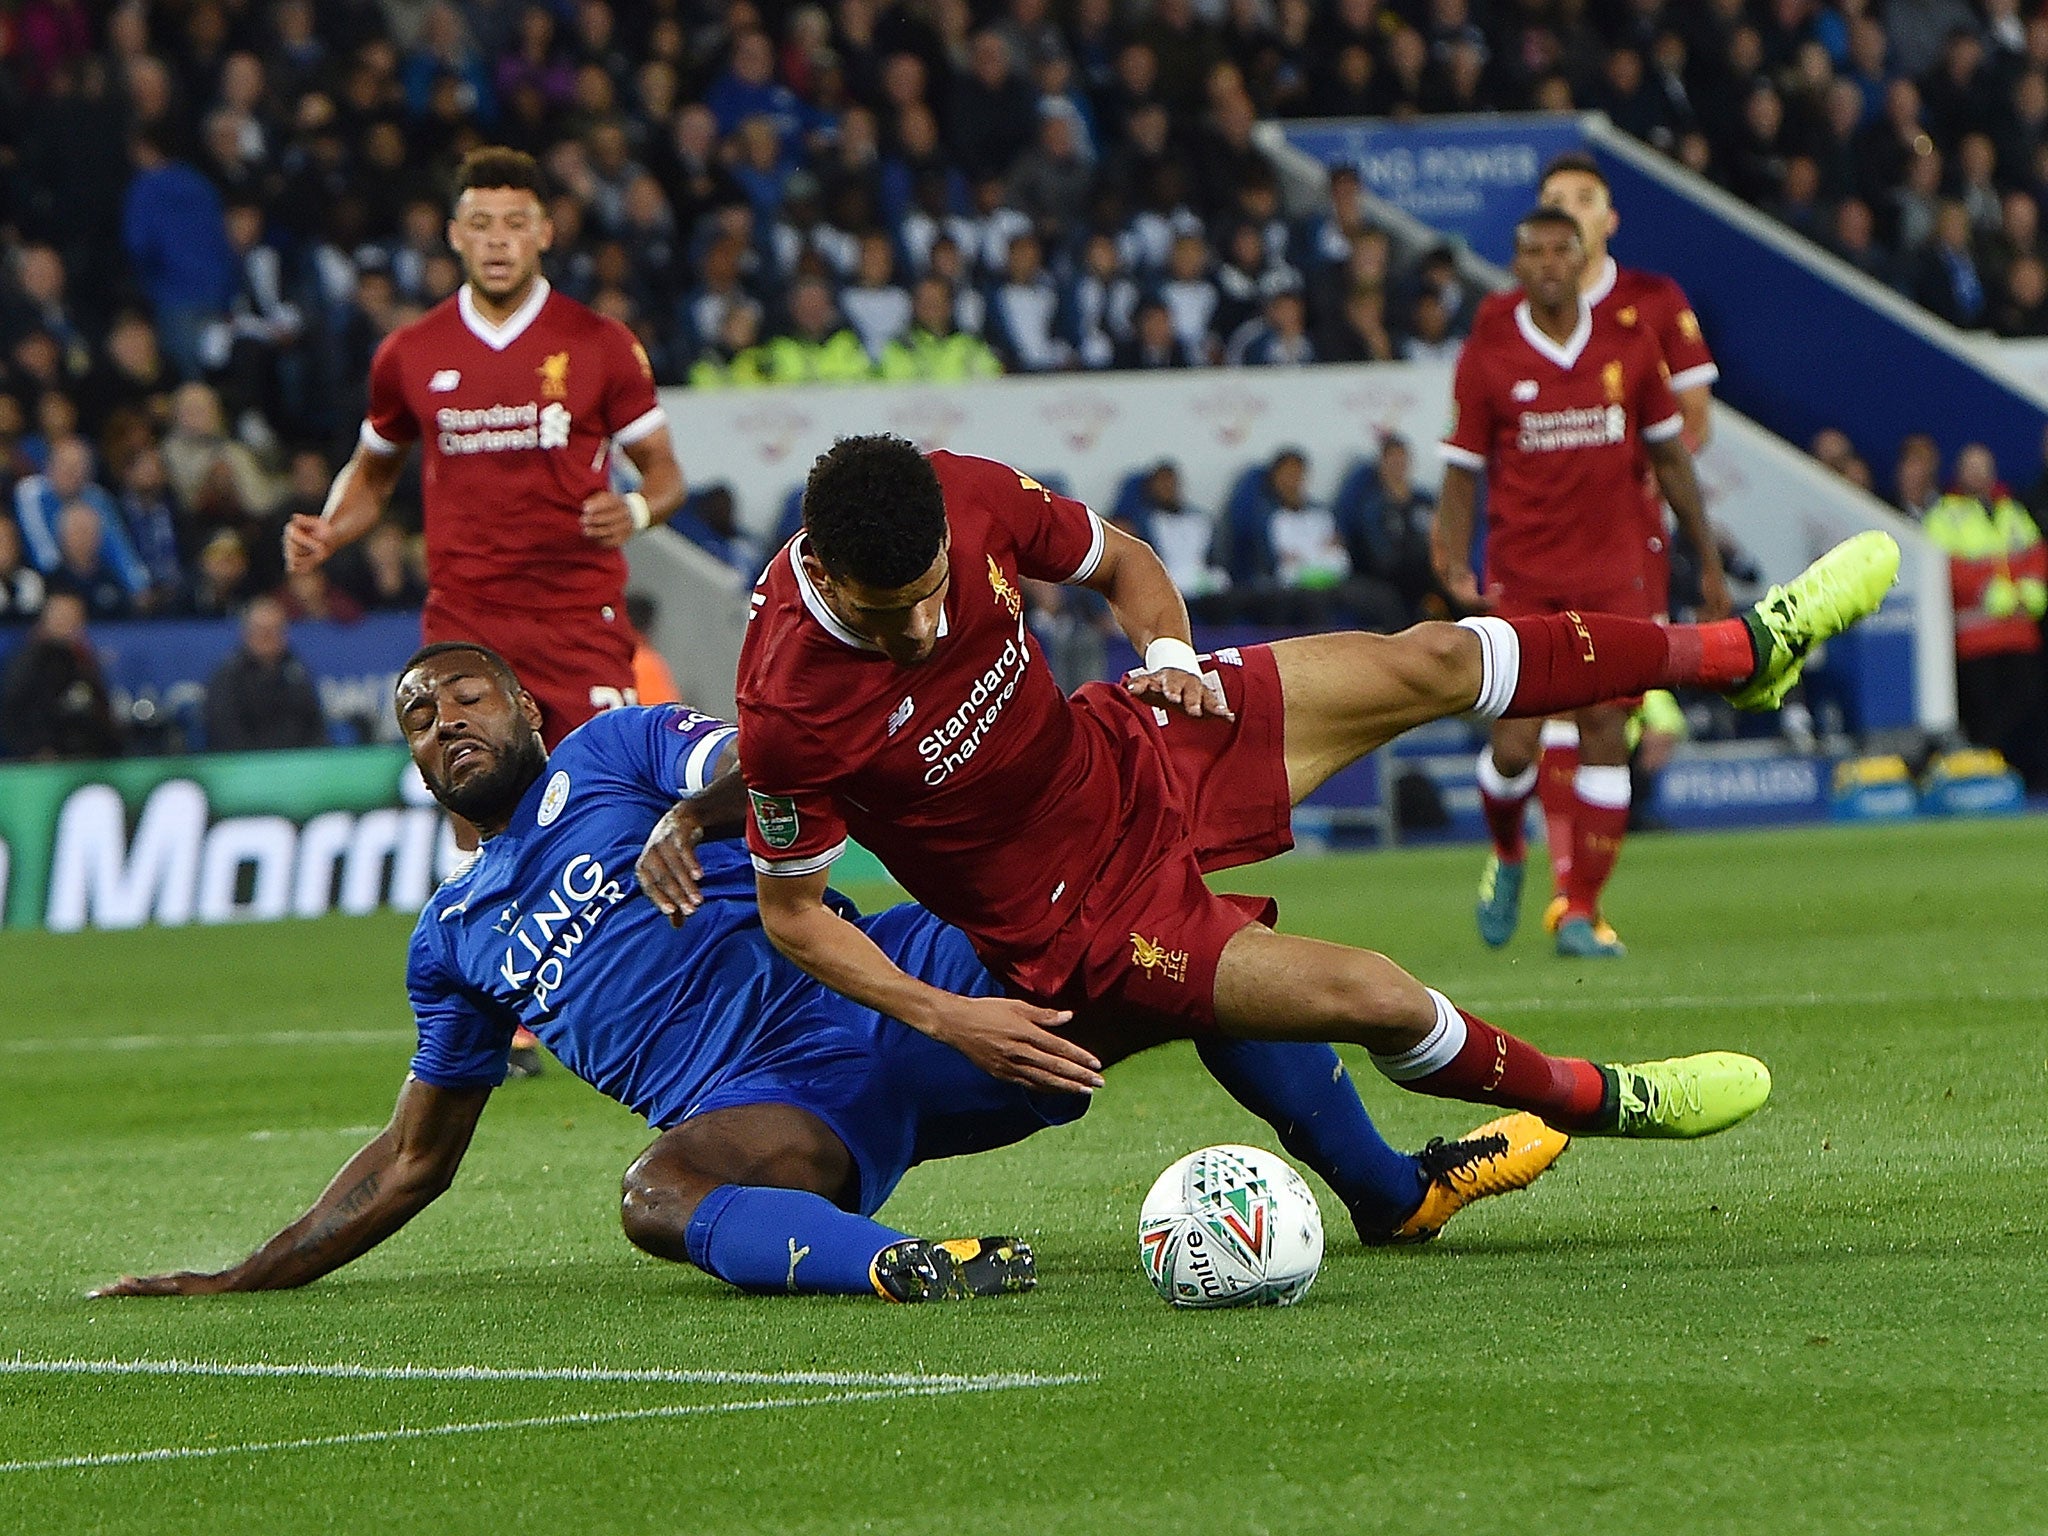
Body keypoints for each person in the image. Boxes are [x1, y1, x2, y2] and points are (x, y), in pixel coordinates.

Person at [90, 645, 1568, 1303]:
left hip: (901, 979)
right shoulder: (452, 938)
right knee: (653, 1198)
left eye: (467, 693)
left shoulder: (613, 752)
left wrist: (689, 812)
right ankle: (911, 1270)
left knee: (1171, 959)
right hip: (773, 1111)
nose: (442, 719)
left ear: (525, 706)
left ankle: (1392, 1192)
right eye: (417, 714)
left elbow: (771, 759)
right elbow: (415, 1157)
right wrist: (249, 1271)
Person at [729, 431, 1895, 1144]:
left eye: (938, 587)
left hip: (1130, 747)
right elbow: (792, 916)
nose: (928, 626)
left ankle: (1740, 653)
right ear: (820, 571)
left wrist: (1169, 655)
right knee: (1377, 996)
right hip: (1080, 925)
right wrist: (948, 1012)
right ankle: (1601, 1099)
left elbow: (1124, 563)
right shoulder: (786, 709)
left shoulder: (965, 492)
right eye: (894, 618)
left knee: (1431, 657)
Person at [284, 143, 687, 1078]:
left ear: (544, 231)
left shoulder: (597, 344)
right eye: (481, 224)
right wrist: (334, 531)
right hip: (466, 618)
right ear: (455, 236)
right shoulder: (411, 354)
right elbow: (374, 468)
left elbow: (665, 476)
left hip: (576, 611)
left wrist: (628, 509)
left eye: (516, 223)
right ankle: (506, 1003)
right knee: (473, 804)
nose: (498, 240)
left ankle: (641, 979)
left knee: (607, 793)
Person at [1441, 205, 1729, 960]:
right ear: (1516, 263)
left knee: (1607, 728)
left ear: (1582, 258)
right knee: (1514, 746)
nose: (1546, 263)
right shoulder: (1488, 353)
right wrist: (1448, 557)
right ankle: (1508, 853)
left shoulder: (1632, 345)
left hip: (1614, 575)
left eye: (1559, 250)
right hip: (1525, 579)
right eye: (1530, 250)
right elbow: (1463, 470)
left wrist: (1709, 561)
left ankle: (1580, 910)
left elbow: (1671, 461)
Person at [1514, 152, 1726, 948]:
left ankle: (1578, 896)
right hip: (1541, 542)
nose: (1567, 213)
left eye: (1581, 200)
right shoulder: (1518, 319)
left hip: (1626, 541)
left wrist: (1621, 473)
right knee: (1553, 707)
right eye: (1552, 203)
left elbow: (1692, 418)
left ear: (1608, 220)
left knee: (1603, 706)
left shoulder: (1652, 302)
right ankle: (1571, 895)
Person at [1922, 443, 2048, 786]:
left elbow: (2035, 555)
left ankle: (2008, 769)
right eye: (1971, 466)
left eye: (1984, 465)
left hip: (2020, 633)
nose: (1978, 473)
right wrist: (1988, 591)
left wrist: (2032, 590)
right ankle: (1980, 767)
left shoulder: (2012, 511)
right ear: (1959, 472)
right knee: (1984, 711)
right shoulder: (1944, 515)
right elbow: (1946, 567)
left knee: (2029, 702)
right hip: (1976, 638)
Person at [0, 589, 121, 760]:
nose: (69, 623)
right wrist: (36, 748)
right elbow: (11, 712)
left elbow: (98, 707)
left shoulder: (81, 659)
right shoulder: (29, 661)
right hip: (45, 761)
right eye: (62, 616)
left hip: (87, 757)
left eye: (75, 616)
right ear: (47, 618)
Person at [203, 595, 329, 751]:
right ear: (246, 633)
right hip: (246, 764)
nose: (268, 637)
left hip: (298, 764)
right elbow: (224, 729)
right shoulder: (228, 675)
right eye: (261, 630)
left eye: (275, 630)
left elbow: (315, 722)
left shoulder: (296, 671)